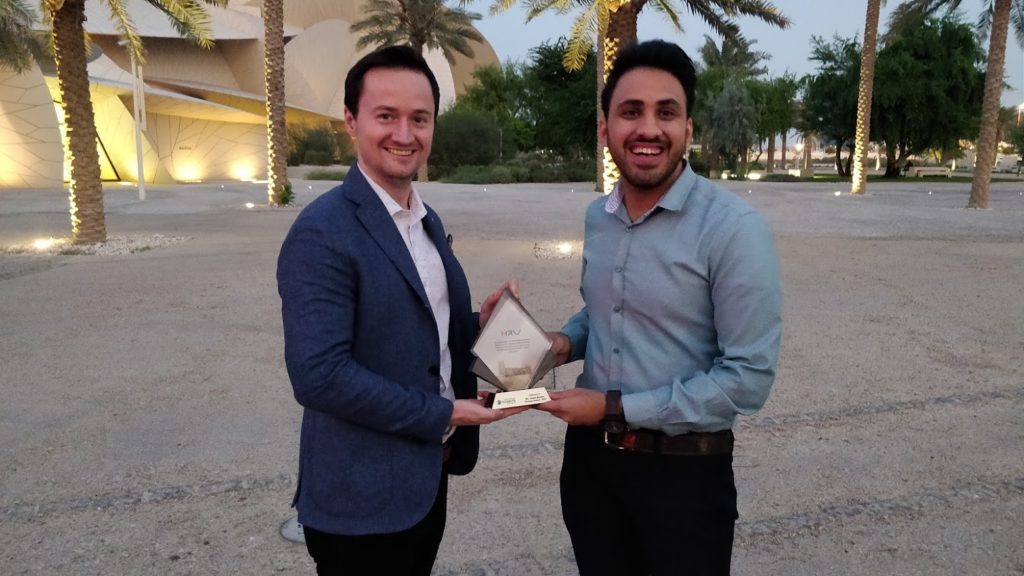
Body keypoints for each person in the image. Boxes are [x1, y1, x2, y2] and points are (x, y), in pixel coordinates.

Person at [277, 45, 526, 576]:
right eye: (386, 116)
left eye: (420, 118)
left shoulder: (425, 218)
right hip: (358, 504)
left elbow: (419, 328)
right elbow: (319, 376)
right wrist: (447, 413)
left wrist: (479, 324)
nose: (405, 134)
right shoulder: (322, 232)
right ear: (351, 120)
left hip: (423, 480)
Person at [538, 40, 783, 576]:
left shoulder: (732, 230)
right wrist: (560, 344)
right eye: (630, 112)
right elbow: (603, 311)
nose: (648, 128)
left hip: (684, 479)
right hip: (590, 469)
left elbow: (747, 379)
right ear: (604, 129)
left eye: (666, 112)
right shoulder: (599, 217)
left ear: (688, 129)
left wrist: (613, 408)